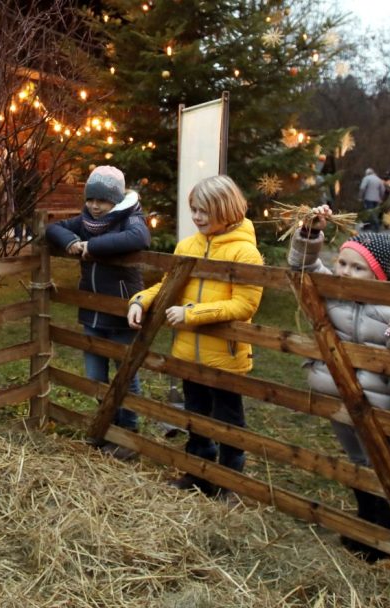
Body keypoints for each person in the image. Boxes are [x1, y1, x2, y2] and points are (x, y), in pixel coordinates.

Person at [288, 207, 390, 561]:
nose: (345, 272)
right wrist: (309, 234)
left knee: (380, 458)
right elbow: (302, 266)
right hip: (337, 394)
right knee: (355, 457)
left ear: (378, 275)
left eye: (356, 267)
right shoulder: (334, 294)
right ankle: (368, 520)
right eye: (342, 263)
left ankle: (389, 526)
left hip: (377, 399)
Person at [126, 175, 263, 499]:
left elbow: (245, 304)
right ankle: (198, 474)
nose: (197, 217)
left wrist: (192, 314)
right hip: (189, 354)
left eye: (204, 211)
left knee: (229, 422)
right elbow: (167, 286)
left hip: (225, 357)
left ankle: (230, 481)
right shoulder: (187, 247)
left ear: (225, 209)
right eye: (194, 210)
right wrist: (139, 301)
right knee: (195, 416)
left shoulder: (245, 253)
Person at [46, 166, 151, 460]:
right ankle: (105, 427)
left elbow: (138, 239)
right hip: (92, 314)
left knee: (125, 376)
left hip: (120, 314)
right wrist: (71, 242)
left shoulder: (130, 219)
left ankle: (127, 435)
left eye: (102, 201)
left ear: (115, 200)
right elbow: (51, 228)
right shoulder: (86, 221)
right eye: (91, 199)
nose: (95, 205)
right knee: (95, 377)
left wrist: (92, 247)